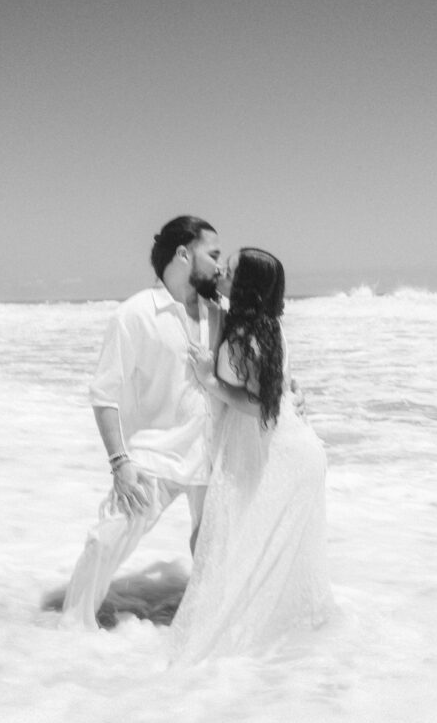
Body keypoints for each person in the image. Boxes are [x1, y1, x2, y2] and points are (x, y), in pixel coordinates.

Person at [58, 215, 225, 630]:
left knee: (212, 550)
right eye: (214, 254)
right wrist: (120, 463)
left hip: (212, 454)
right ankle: (71, 632)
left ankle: (202, 631)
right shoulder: (133, 314)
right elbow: (104, 394)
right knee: (106, 539)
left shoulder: (217, 313)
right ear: (183, 253)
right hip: (154, 453)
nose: (220, 265)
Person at [171, 247, 334, 663]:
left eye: (232, 269)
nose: (223, 269)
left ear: (246, 285)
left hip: (273, 449)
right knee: (244, 542)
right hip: (283, 446)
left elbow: (261, 404)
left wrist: (210, 380)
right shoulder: (262, 325)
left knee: (231, 538)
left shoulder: (246, 334)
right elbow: (281, 386)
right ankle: (281, 654)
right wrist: (294, 392)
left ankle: (245, 651)